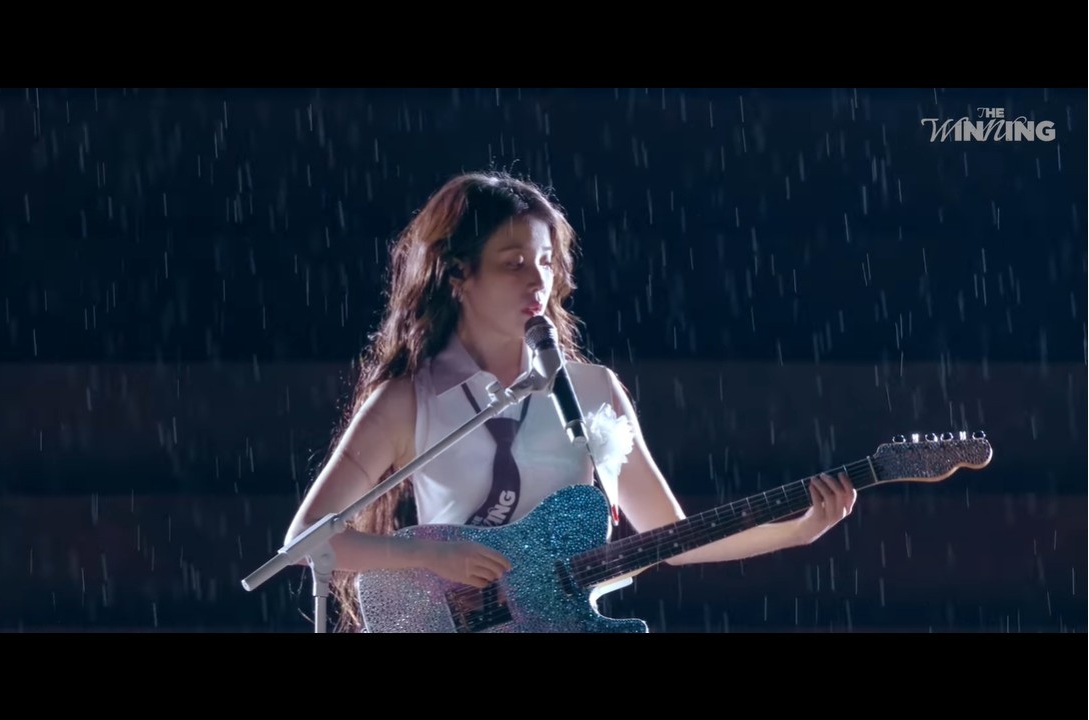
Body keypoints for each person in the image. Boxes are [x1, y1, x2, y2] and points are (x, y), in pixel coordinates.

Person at [283, 170, 857, 632]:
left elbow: (672, 538)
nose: (538, 281)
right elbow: (306, 540)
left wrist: (799, 529)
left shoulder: (593, 391)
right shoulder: (409, 399)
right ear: (458, 274)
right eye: (513, 263)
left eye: (545, 261)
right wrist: (429, 557)